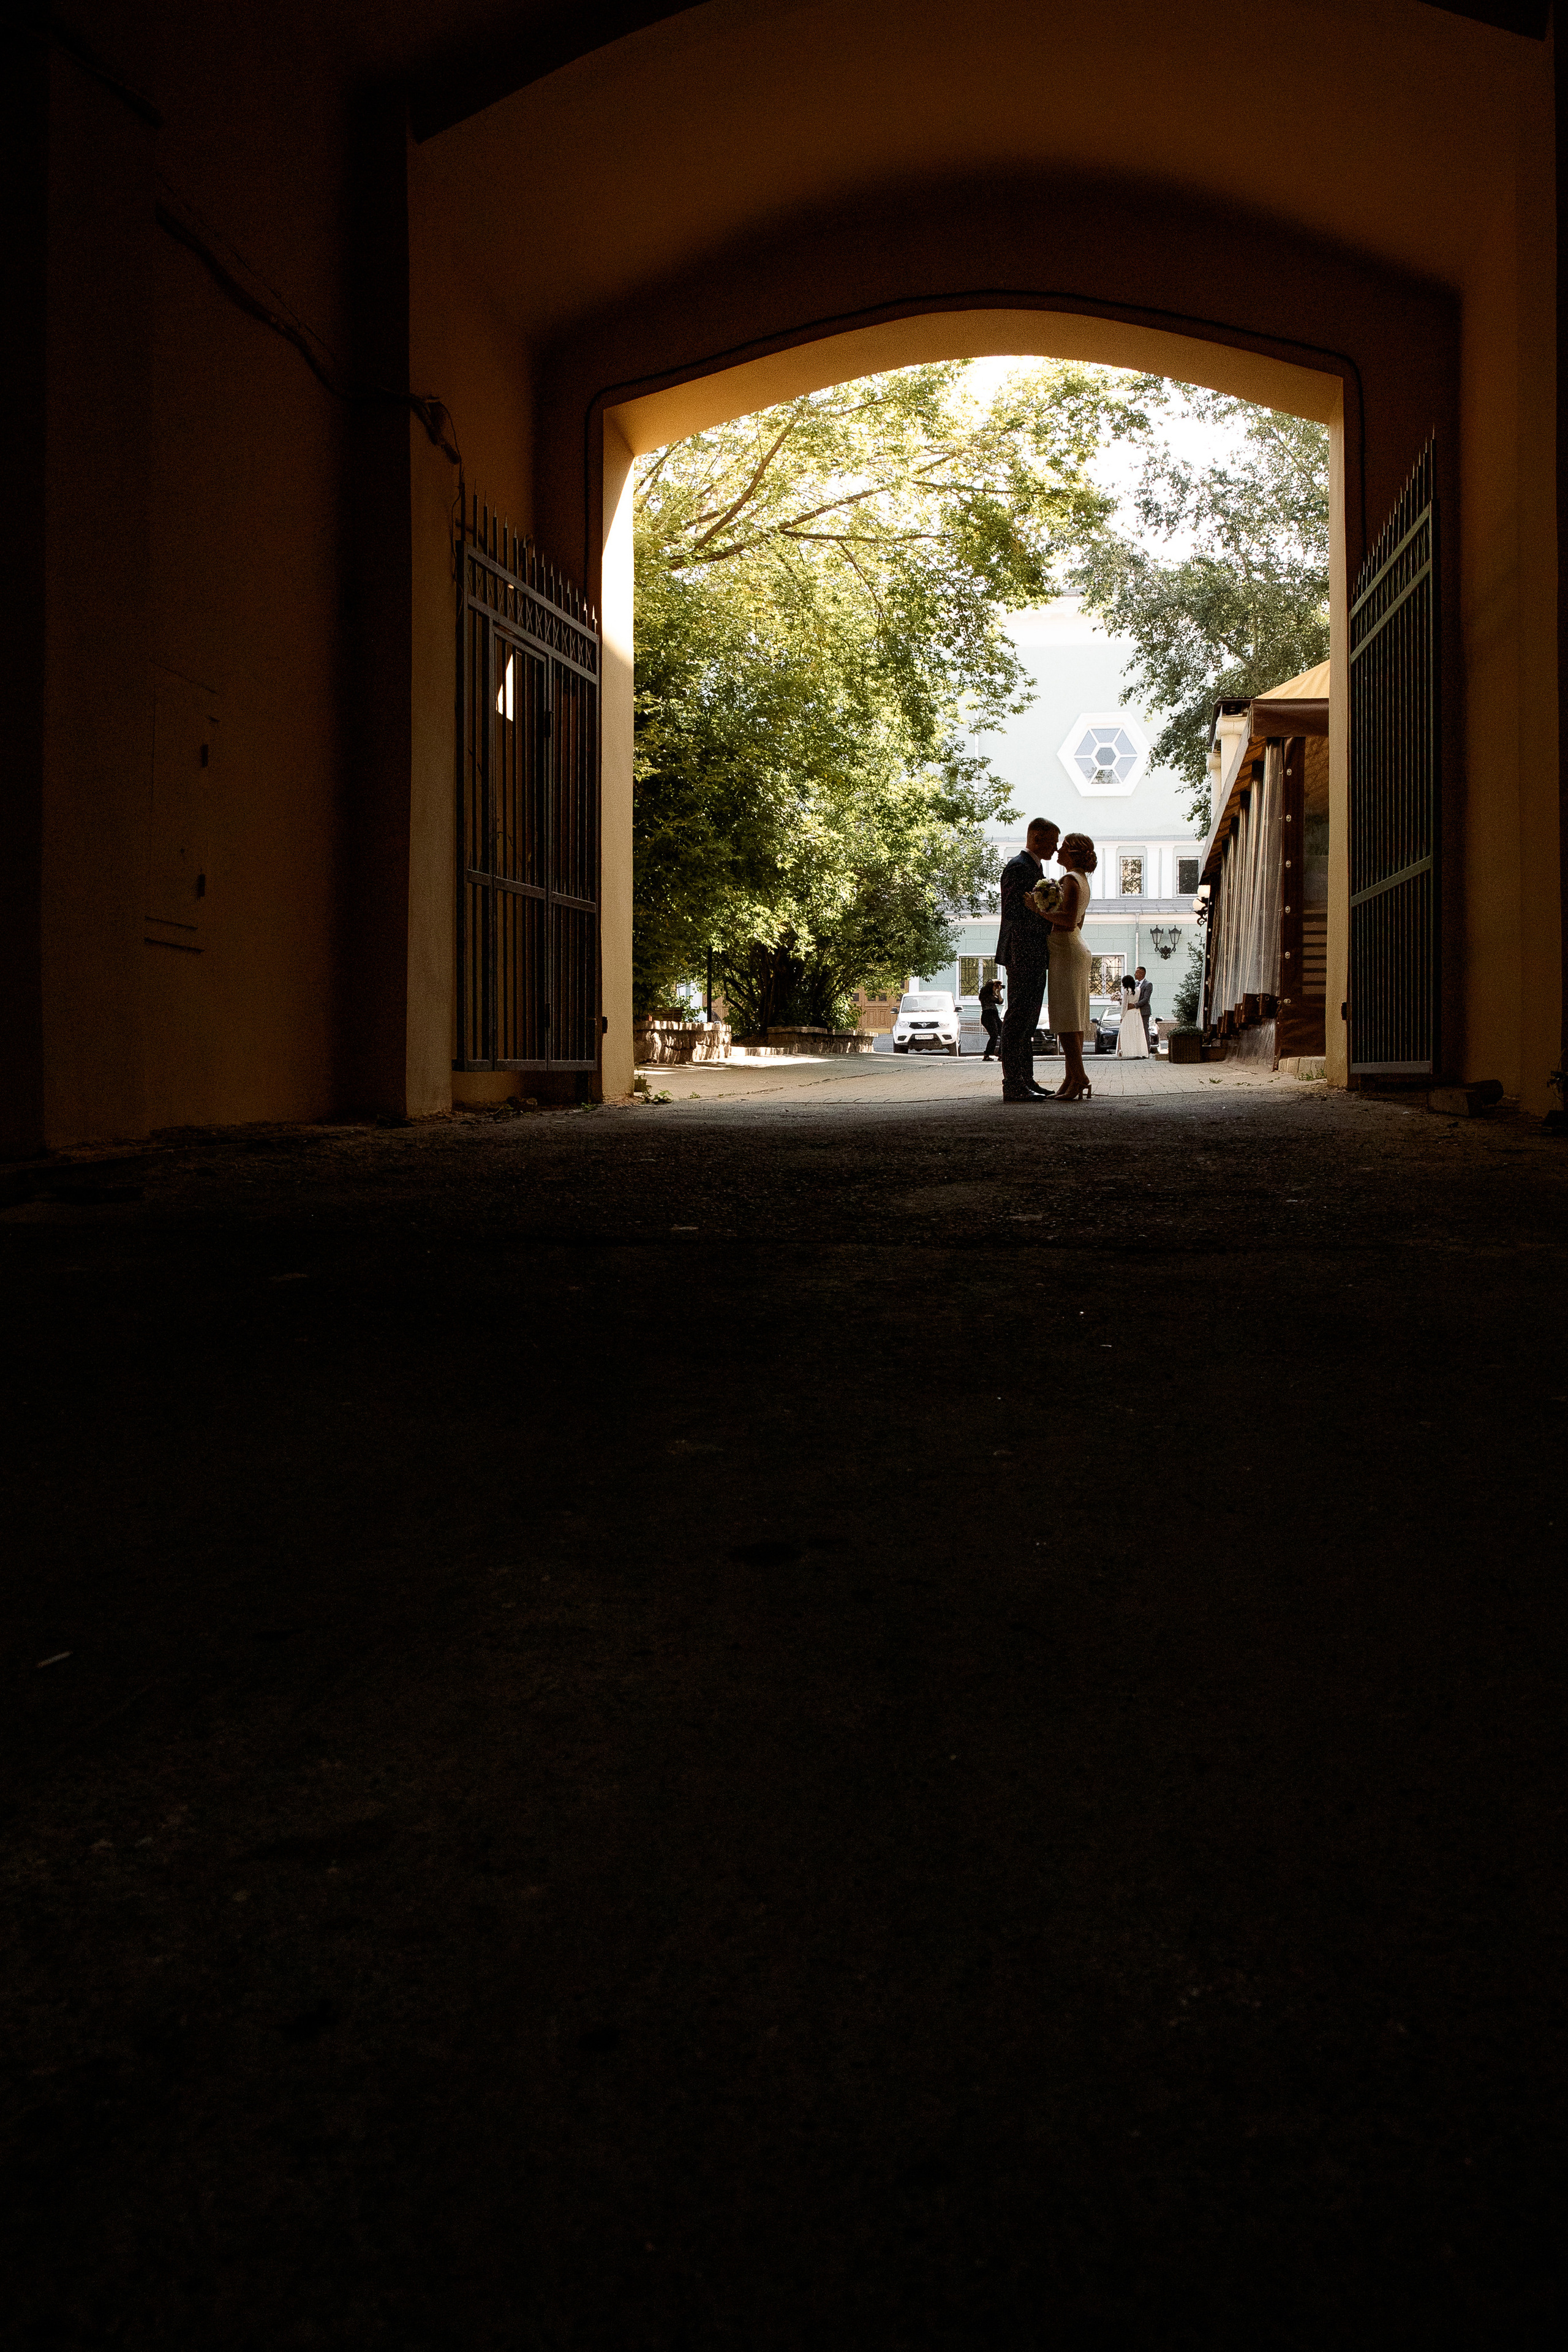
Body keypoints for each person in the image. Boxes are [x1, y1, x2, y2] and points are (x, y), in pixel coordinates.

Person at [995, 818, 1060, 1102]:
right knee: (1018, 1018)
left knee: (1029, 1018)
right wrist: (1045, 919)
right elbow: (1013, 911)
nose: (1056, 848)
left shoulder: (1034, 867)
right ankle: (1013, 1083)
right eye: (1052, 841)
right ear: (1035, 838)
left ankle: (1026, 1079)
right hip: (1022, 951)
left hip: (1032, 952)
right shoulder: (1018, 867)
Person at [1038, 832, 1096, 1099]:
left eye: (1063, 848)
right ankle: (1071, 1079)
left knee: (1067, 1021)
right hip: (1074, 948)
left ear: (1072, 853)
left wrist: (1038, 909)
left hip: (1067, 952)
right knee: (1074, 1019)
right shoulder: (1083, 881)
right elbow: (1079, 923)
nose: (1058, 851)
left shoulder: (1070, 880)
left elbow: (1069, 920)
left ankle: (1080, 1077)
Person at [1116, 973, 1148, 1058]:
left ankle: (1127, 1051)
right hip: (1136, 1013)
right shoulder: (1138, 989)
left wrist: (1122, 1017)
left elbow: (1124, 1005)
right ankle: (1138, 1051)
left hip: (1129, 1014)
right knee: (1137, 1033)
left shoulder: (1126, 991)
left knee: (1127, 1033)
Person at [978, 974, 1003, 1062]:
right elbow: (993, 999)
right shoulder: (985, 995)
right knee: (994, 1034)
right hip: (988, 1015)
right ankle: (987, 1055)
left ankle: (1001, 1054)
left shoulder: (993, 995)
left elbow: (1000, 1002)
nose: (997, 988)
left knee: (1003, 1032)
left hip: (994, 1015)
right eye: (995, 986)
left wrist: (998, 992)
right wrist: (995, 991)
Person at [1134, 965, 1153, 1048]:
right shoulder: (1135, 984)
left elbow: (1146, 999)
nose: (1135, 974)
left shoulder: (1148, 984)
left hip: (1144, 1011)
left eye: (1136, 972)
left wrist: (1136, 1005)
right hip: (1135, 1012)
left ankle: (1147, 1049)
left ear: (1142, 974)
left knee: (1145, 1030)